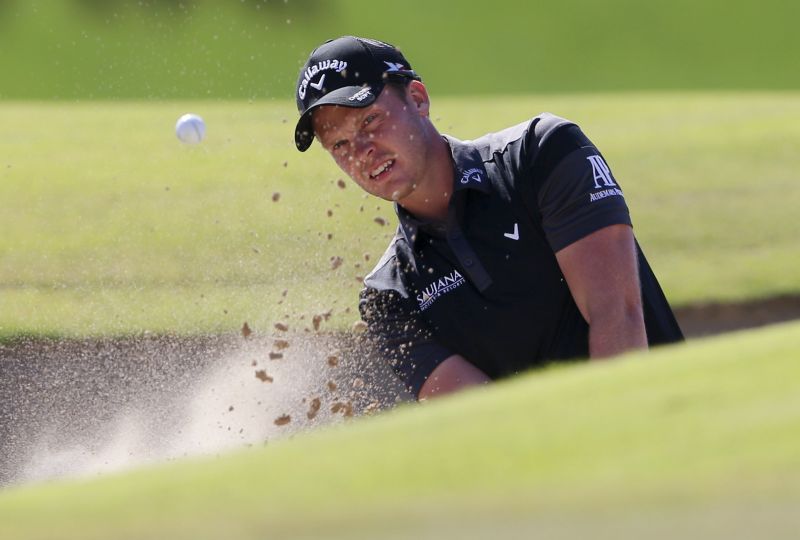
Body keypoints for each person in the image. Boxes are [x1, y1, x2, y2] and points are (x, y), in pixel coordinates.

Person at [293, 36, 683, 401]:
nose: (361, 151)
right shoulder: (389, 299)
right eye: (339, 144)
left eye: (370, 121)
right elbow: (485, 416)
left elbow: (617, 315)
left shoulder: (541, 155)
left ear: (418, 98)